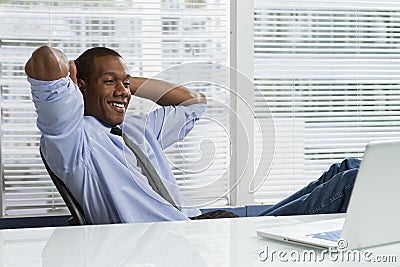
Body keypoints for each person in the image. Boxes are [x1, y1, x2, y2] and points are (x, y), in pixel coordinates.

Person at [26, 45, 359, 224]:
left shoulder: (138, 129)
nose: (124, 92)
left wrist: (122, 82)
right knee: (351, 182)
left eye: (125, 83)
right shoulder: (74, 141)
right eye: (109, 81)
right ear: (79, 87)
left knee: (346, 166)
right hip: (177, 239)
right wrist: (74, 73)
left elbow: (193, 102)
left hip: (202, 223)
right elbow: (44, 61)